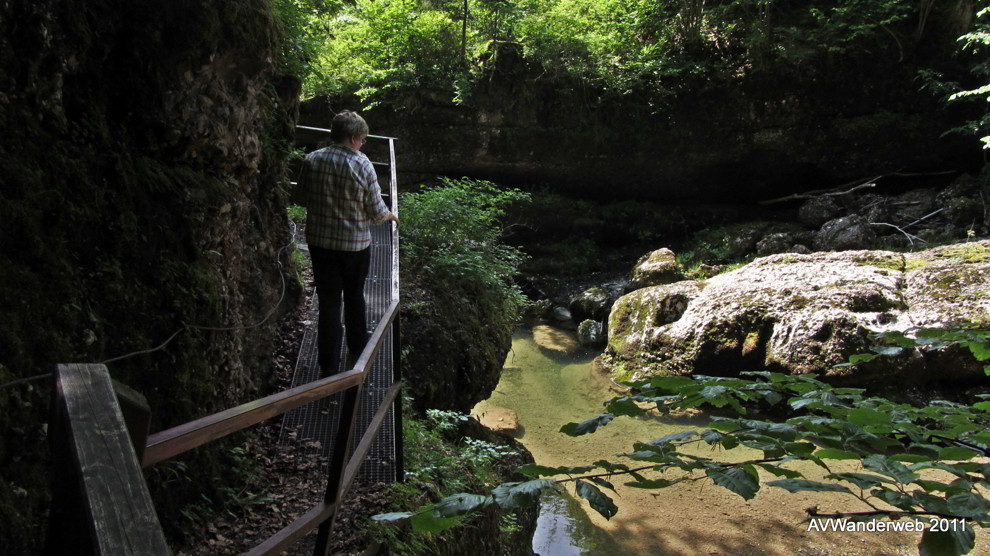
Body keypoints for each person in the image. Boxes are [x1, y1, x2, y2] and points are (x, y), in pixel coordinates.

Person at [299, 111, 398, 378]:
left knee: (329, 302)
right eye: (363, 139)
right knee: (354, 297)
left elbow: (303, 196)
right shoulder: (362, 165)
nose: (363, 144)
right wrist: (391, 215)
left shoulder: (311, 160)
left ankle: (328, 365)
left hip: (320, 243)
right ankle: (357, 350)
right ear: (354, 138)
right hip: (354, 245)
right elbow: (377, 212)